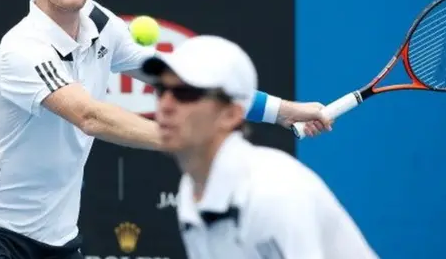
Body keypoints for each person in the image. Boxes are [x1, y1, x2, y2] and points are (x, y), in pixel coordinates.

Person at [0, 0, 332, 259]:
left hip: (56, 240)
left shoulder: (102, 24)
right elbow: (90, 116)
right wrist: (185, 140)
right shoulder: (21, 50)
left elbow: (184, 78)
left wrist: (284, 111)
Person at [140, 35, 379, 259]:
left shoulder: (273, 193)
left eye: (185, 93)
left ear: (231, 114)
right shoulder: (191, 190)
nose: (165, 105)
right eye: (161, 90)